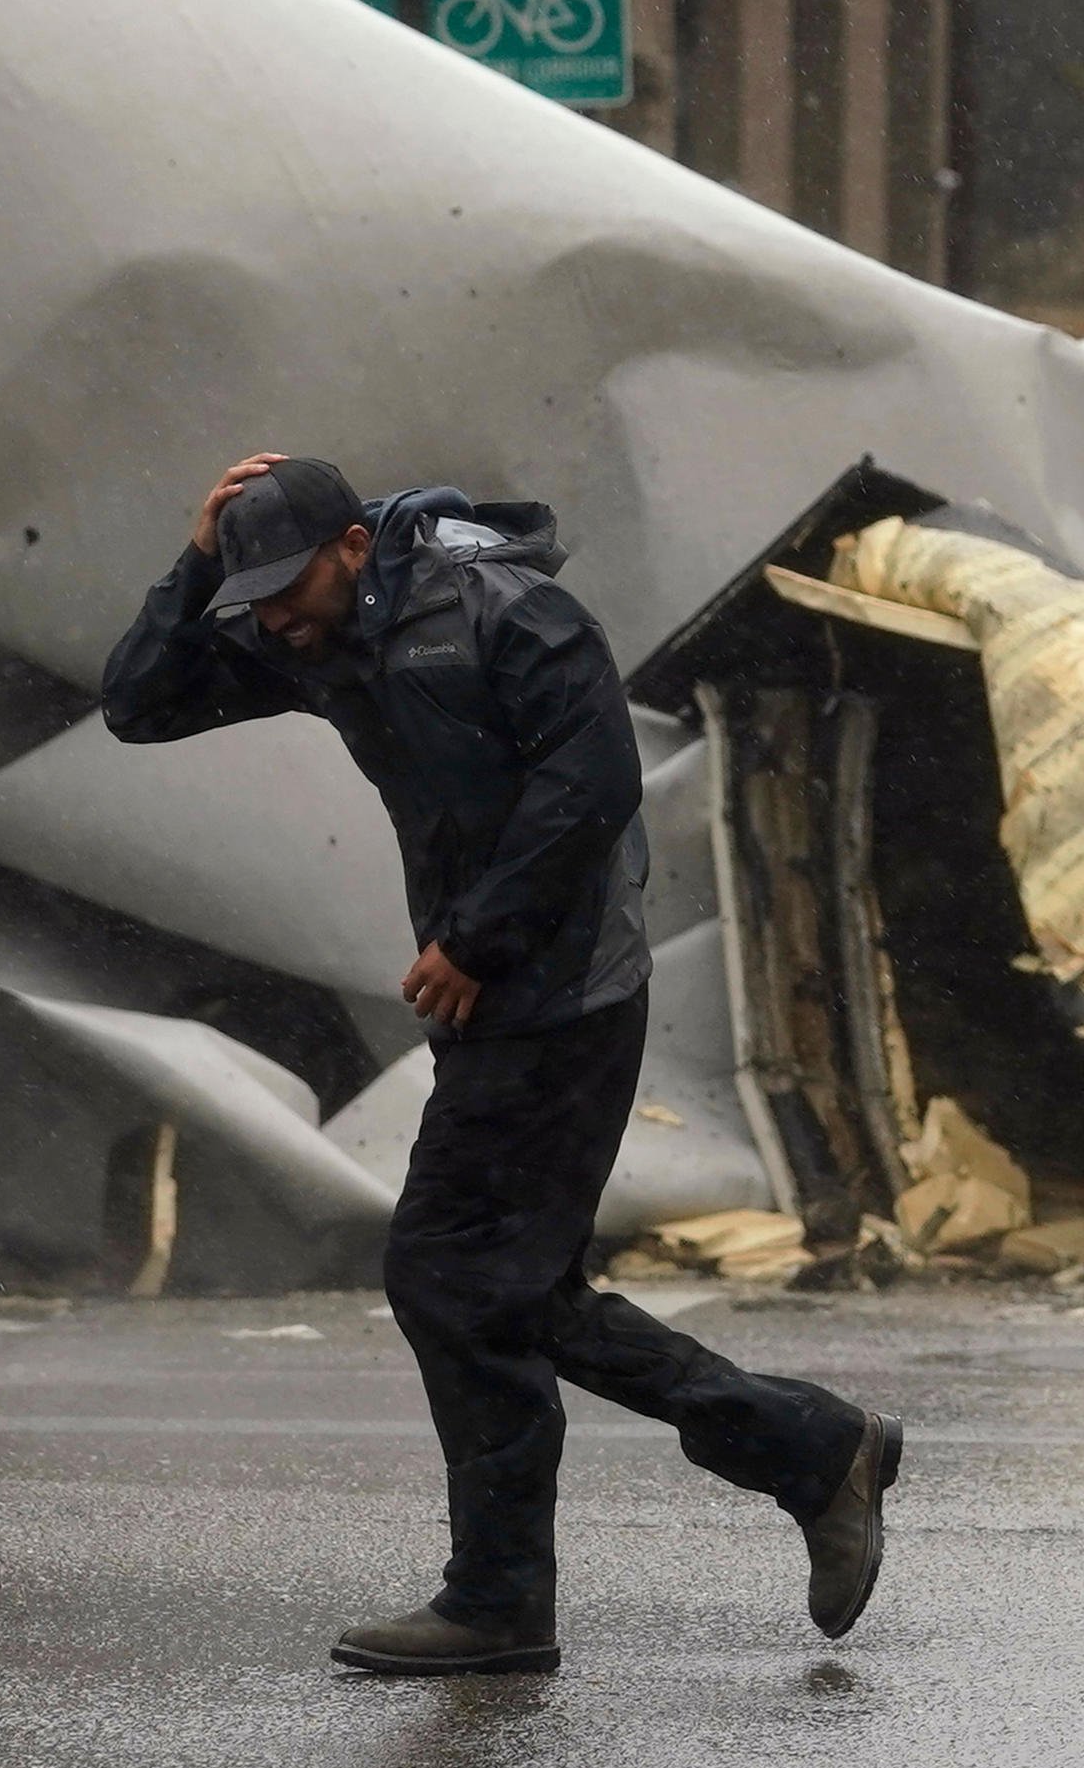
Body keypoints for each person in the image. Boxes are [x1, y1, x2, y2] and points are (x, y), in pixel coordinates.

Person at [101, 451, 902, 1676]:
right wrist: (199, 560)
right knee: (501, 1287)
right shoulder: (312, 631)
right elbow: (138, 704)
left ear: (355, 547)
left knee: (455, 1277)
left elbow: (591, 784)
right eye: (252, 596)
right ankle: (784, 1459)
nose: (271, 619)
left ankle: (515, 1591)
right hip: (494, 992)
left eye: (286, 585)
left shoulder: (505, 611)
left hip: (566, 986)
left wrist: (477, 940)